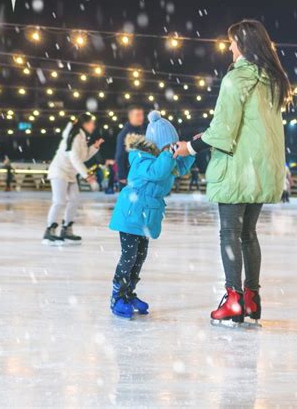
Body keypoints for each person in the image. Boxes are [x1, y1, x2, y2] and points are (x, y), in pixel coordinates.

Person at [173, 19, 292, 325]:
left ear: (242, 43)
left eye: (231, 42)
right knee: (248, 234)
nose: (228, 47)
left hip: (237, 167)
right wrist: (207, 136)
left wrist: (190, 147)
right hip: (262, 168)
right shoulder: (273, 80)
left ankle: (233, 299)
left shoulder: (236, 79)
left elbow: (224, 131)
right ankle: (252, 299)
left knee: (230, 232)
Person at [108, 111, 195, 319]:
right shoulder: (141, 157)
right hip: (131, 214)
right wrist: (168, 154)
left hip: (146, 216)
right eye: (167, 146)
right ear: (157, 144)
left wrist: (191, 150)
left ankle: (128, 293)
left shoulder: (163, 157)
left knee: (139, 257)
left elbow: (178, 169)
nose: (170, 150)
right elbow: (157, 172)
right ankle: (117, 297)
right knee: (128, 256)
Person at [43, 112, 103, 246]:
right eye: (92, 123)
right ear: (85, 124)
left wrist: (94, 147)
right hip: (60, 171)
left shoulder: (82, 137)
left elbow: (82, 157)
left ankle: (66, 230)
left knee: (74, 200)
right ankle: (49, 231)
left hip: (70, 174)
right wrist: (87, 176)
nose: (93, 126)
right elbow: (74, 158)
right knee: (59, 201)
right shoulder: (75, 136)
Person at [115, 106, 145, 190]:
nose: (141, 117)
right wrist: (122, 176)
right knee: (129, 202)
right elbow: (120, 155)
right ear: (131, 116)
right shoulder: (124, 134)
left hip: (142, 175)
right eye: (138, 115)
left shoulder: (143, 132)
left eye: (142, 115)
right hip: (129, 176)